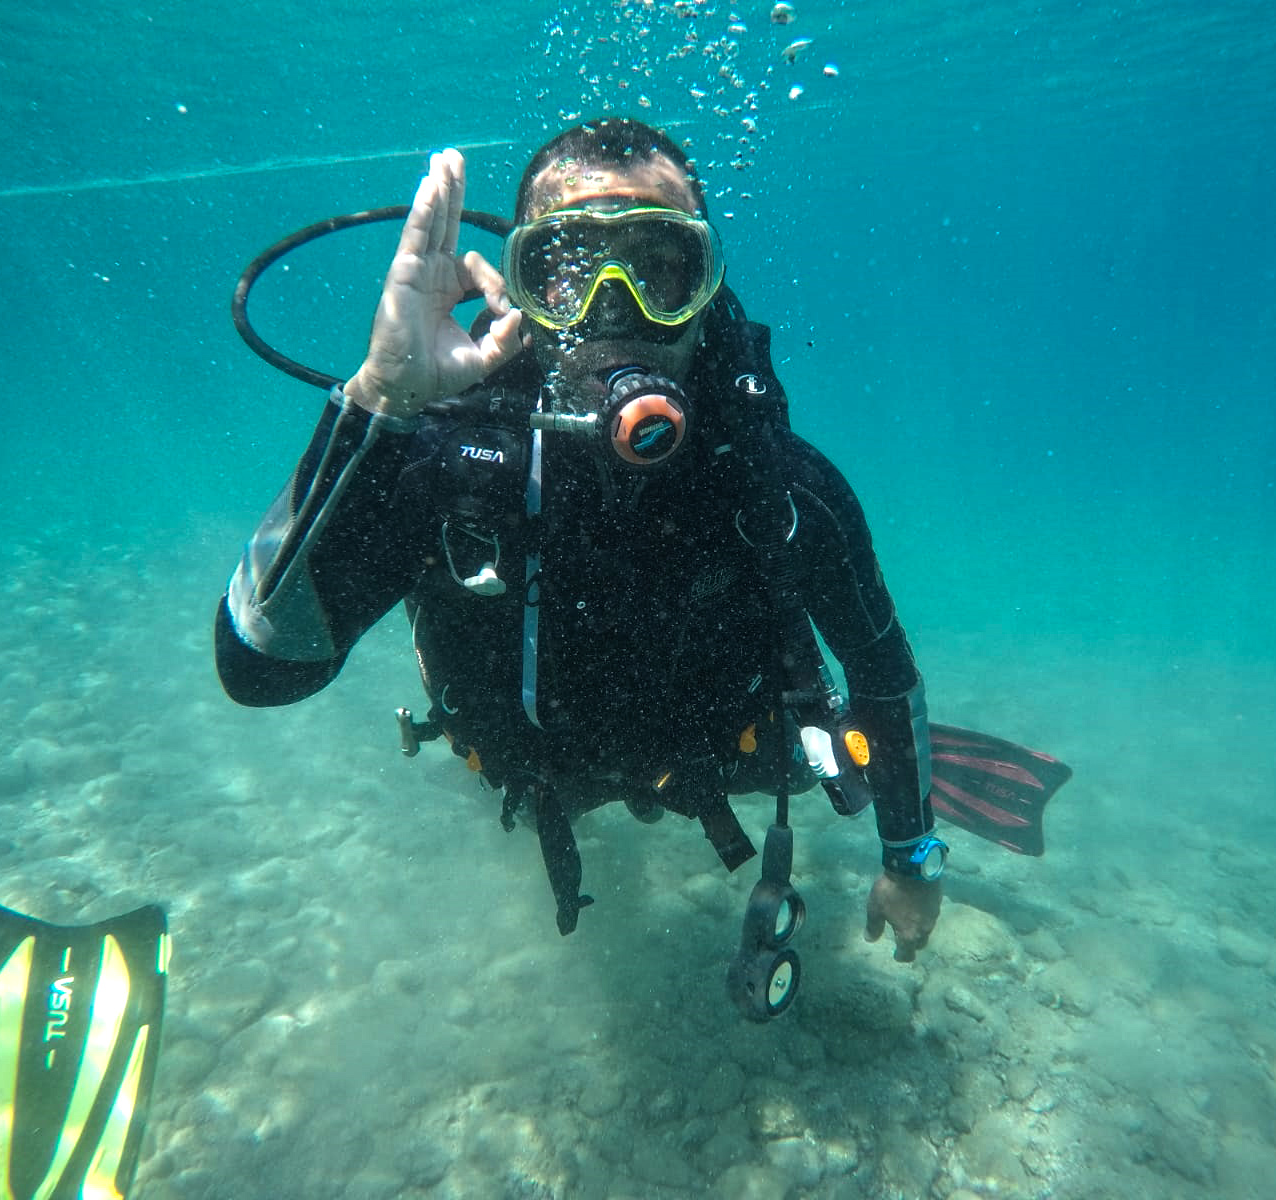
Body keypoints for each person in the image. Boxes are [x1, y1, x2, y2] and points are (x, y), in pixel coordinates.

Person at [214, 118, 946, 966]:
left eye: (659, 268)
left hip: (725, 754)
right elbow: (261, 670)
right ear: (523, 295)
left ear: (706, 290)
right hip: (535, 763)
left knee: (814, 747)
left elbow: (881, 668)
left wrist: (912, 857)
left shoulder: (779, 486)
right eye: (565, 271)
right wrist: (380, 402)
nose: (615, 310)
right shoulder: (453, 463)